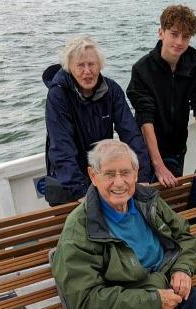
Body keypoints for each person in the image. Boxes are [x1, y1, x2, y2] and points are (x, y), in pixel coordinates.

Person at [51, 139, 196, 309]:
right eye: (109, 174)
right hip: (134, 304)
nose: (119, 182)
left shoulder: (148, 200)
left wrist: (182, 269)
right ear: (93, 176)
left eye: (125, 173)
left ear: (136, 174)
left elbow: (183, 236)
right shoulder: (78, 228)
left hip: (171, 293)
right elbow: (85, 301)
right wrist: (153, 300)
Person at [43, 35, 151, 205]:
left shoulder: (112, 90)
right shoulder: (58, 95)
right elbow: (61, 147)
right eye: (80, 65)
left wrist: (142, 176)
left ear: (100, 65)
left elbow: (131, 133)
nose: (87, 71)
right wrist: (82, 193)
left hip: (100, 174)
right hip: (70, 181)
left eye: (92, 64)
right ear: (69, 68)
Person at [127, 5, 196, 188]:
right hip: (146, 151)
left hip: (178, 147)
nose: (179, 41)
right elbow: (145, 119)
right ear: (161, 32)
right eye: (174, 34)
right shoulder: (142, 70)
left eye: (185, 36)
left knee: (174, 196)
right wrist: (157, 164)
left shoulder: (194, 66)